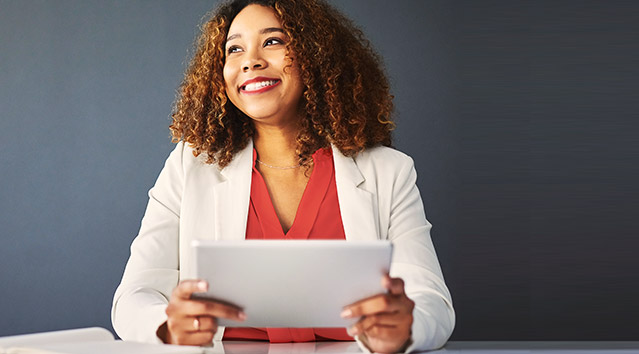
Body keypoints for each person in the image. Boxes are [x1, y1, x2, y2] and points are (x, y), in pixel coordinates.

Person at [111, 0, 454, 352]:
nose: (250, 61)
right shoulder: (189, 166)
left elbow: (432, 302)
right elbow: (134, 296)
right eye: (234, 49)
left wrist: (405, 326)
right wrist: (168, 326)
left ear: (315, 54)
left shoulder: (388, 171)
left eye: (273, 41)